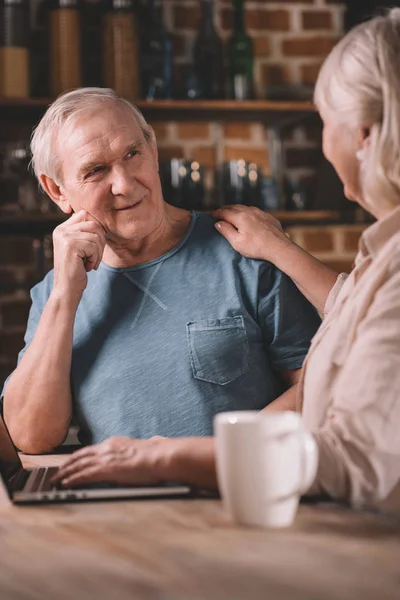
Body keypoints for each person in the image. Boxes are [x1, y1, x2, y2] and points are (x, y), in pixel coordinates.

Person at [1, 88, 319, 490]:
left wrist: (200, 460)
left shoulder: (245, 250)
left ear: (152, 146)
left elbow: (316, 386)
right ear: (57, 190)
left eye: (132, 154)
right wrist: (66, 295)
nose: (124, 184)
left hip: (238, 498)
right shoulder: (54, 294)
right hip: (119, 520)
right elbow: (29, 436)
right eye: (95, 170)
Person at [214, 9, 400, 506]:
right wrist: (278, 248)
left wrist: (178, 459)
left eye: (324, 123)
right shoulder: (387, 247)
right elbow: (357, 308)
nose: (322, 143)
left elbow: (356, 461)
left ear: (364, 135)